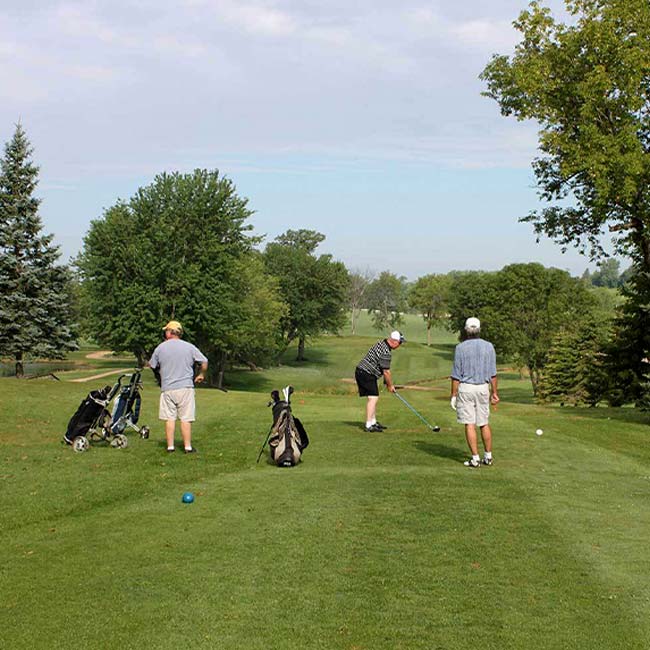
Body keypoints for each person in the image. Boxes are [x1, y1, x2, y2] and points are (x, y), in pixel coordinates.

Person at [148, 320, 208, 454]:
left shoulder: (160, 348)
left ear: (169, 332)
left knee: (170, 418)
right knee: (186, 418)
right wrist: (201, 374)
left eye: (166, 331)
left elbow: (152, 365)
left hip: (168, 388)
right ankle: (187, 447)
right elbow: (204, 361)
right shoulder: (189, 347)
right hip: (185, 387)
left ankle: (170, 447)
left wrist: (160, 377)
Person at [450, 317, 499, 468]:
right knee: (483, 422)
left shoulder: (460, 348)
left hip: (466, 388)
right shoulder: (489, 346)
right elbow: (493, 374)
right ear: (479, 330)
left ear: (466, 330)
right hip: (483, 388)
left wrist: (453, 395)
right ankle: (488, 457)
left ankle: (475, 459)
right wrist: (494, 393)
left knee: (469, 423)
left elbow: (456, 375)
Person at [355, 330, 405, 432]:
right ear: (395, 341)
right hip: (366, 373)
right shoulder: (386, 352)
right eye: (400, 343)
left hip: (364, 372)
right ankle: (369, 425)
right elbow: (386, 372)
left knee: (373, 397)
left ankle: (373, 422)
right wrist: (390, 386)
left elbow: (382, 368)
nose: (400, 345)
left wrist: (387, 384)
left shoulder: (381, 343)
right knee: (373, 398)